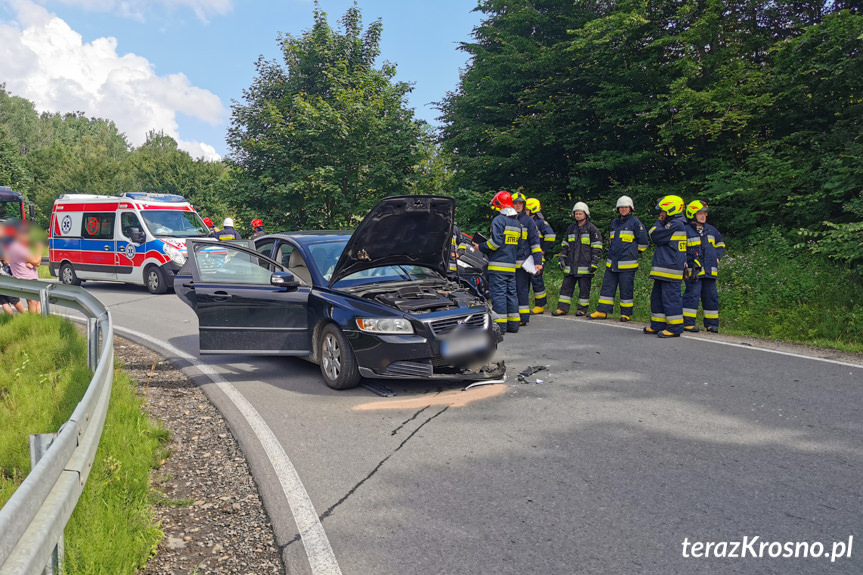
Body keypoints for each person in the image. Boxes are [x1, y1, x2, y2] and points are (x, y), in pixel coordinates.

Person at [589, 195, 649, 322]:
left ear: (630, 208)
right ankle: (602, 311)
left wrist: (632, 252)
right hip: (612, 263)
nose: (623, 209)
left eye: (626, 207)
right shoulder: (614, 222)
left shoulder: (635, 222)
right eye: (621, 207)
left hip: (628, 264)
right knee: (607, 288)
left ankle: (626, 314)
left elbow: (643, 243)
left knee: (626, 289)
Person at [476, 191, 521, 334]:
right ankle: (514, 325)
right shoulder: (517, 223)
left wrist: (481, 247)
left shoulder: (499, 220)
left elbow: (495, 243)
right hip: (511, 265)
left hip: (498, 265)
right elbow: (518, 245)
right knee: (511, 294)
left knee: (499, 295)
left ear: (499, 205)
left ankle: (500, 327)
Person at [643, 195, 688, 338]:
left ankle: (675, 327)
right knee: (657, 297)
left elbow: (654, 235)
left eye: (663, 210)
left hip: (670, 268)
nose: (661, 213)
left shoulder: (676, 224)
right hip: (664, 267)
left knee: (671, 299)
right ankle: (658, 324)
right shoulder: (674, 223)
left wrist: (658, 221)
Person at [552, 202, 602, 317]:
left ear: (586, 214)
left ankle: (582, 309)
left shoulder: (592, 229)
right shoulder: (571, 229)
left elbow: (597, 247)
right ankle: (562, 308)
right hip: (570, 265)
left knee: (584, 289)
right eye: (576, 214)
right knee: (566, 287)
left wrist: (594, 262)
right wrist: (562, 258)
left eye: (580, 213)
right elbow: (565, 245)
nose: (578, 216)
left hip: (585, 266)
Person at [682, 200, 725, 333]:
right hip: (691, 268)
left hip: (709, 268)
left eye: (704, 213)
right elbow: (679, 248)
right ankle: (687, 323)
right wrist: (683, 261)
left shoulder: (711, 230)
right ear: (692, 214)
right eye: (700, 213)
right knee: (692, 294)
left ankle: (712, 324)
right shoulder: (685, 230)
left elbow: (721, 244)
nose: (703, 216)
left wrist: (717, 256)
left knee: (711, 296)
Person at [511, 193, 544, 325]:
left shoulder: (529, 221)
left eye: (520, 203)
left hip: (523, 264)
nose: (518, 205)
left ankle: (523, 318)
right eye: (515, 203)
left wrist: (538, 262)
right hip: (509, 262)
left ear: (524, 205)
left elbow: (535, 243)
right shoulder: (508, 219)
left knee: (522, 290)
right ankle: (513, 316)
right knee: (511, 290)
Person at [526, 197, 555, 314]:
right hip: (526, 257)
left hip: (537, 258)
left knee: (537, 281)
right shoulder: (525, 221)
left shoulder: (541, 223)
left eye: (527, 209)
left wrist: (543, 249)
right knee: (524, 282)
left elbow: (551, 236)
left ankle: (540, 305)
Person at [5, 224, 42, 313]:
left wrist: (30, 262)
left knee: (36, 302)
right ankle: (32, 323)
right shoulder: (19, 248)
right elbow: (37, 262)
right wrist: (39, 249)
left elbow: (32, 261)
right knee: (33, 302)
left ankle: (36, 323)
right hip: (27, 279)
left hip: (28, 278)